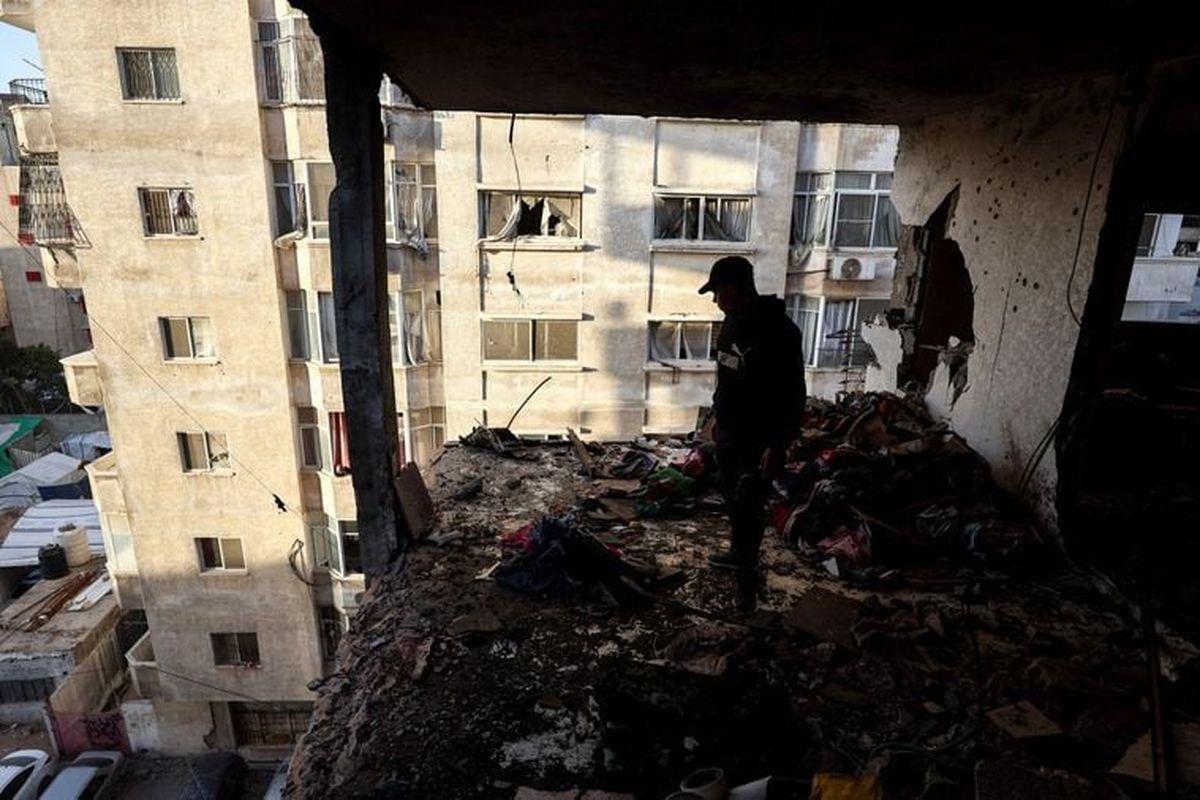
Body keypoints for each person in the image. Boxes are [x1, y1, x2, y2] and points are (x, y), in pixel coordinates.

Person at [698, 256, 806, 606]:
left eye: (718, 292)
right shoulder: (730, 324)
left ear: (735, 288)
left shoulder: (782, 333)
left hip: (759, 440)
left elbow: (793, 394)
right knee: (734, 502)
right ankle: (737, 555)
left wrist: (778, 445)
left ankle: (747, 587)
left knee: (749, 507)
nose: (716, 301)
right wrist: (717, 416)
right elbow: (725, 376)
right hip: (730, 434)